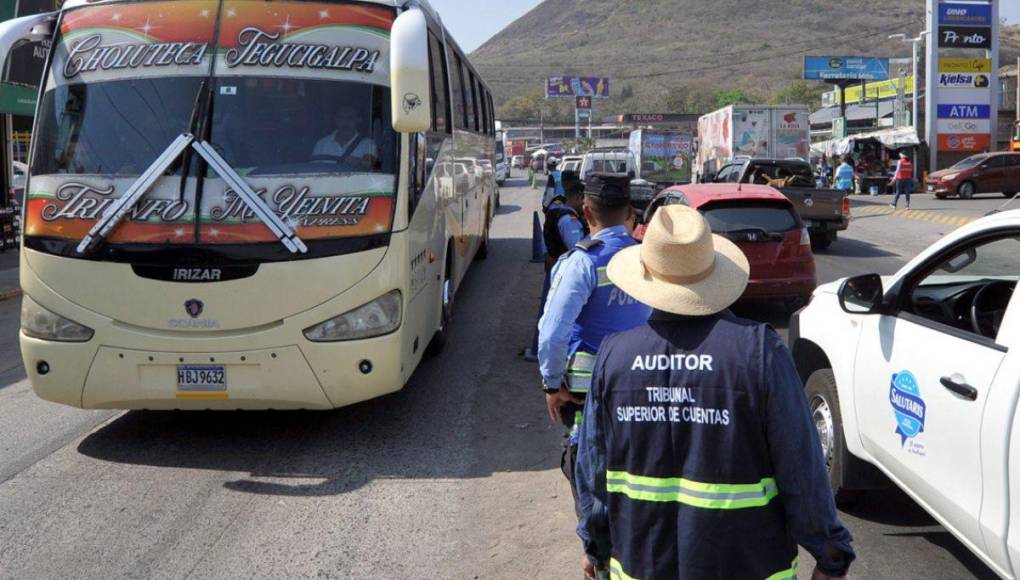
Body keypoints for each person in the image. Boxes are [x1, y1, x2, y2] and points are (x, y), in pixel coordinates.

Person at [575, 205, 856, 580]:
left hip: (642, 566)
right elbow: (801, 465)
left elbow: (593, 470)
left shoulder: (613, 357)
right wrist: (830, 553)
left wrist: (595, 548)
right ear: (714, 274)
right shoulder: (759, 353)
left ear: (646, 277)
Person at [538, 174, 652, 524]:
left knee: (592, 478)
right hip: (646, 385)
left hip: (589, 393)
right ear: (631, 211)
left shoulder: (582, 262)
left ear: (586, 213)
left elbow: (552, 334)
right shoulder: (648, 258)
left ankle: (599, 558)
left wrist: (551, 383)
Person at [525, 172, 588, 362]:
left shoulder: (554, 206)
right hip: (562, 273)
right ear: (577, 197)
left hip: (554, 267)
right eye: (583, 199)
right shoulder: (569, 219)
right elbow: (577, 249)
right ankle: (545, 353)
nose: (585, 204)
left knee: (547, 310)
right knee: (556, 314)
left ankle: (537, 349)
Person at [312, 105, 379, 170]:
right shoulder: (322, 144)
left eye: (350, 118)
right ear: (335, 119)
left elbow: (369, 165)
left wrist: (359, 162)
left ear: (358, 120)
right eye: (341, 117)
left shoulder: (368, 144)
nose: (345, 122)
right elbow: (314, 170)